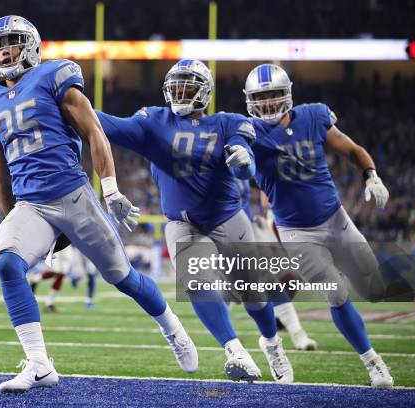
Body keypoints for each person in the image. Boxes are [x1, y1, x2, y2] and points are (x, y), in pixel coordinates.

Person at [0, 15, 197, 393]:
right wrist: (11, 219)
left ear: (30, 45)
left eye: (11, 42)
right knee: (9, 263)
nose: (4, 51)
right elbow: (0, 168)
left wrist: (110, 190)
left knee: (122, 277)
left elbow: (94, 131)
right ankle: (39, 364)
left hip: (74, 195)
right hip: (31, 203)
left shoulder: (54, 76)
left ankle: (172, 328)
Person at [96, 59, 293, 383]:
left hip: (227, 216)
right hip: (181, 222)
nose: (179, 92)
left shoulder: (227, 122)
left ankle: (272, 343)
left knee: (254, 293)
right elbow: (108, 124)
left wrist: (244, 162)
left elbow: (245, 162)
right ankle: (234, 350)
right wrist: (71, 103)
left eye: (187, 86)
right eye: (175, 86)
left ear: (204, 92)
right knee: (198, 283)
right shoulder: (154, 121)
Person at [244, 63, 393, 387]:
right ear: (250, 100)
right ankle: (373, 362)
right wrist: (244, 170)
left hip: (336, 219)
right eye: (261, 96)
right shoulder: (247, 133)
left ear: (287, 95)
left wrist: (371, 175)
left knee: (375, 290)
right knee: (335, 294)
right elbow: (238, 173)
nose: (267, 103)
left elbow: (352, 149)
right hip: (298, 233)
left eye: (273, 95)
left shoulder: (313, 117)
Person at [236, 178, 317, 351]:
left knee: (274, 280)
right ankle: (233, 345)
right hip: (220, 230)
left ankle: (296, 334)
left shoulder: (236, 154)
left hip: (247, 227)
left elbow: (257, 177)